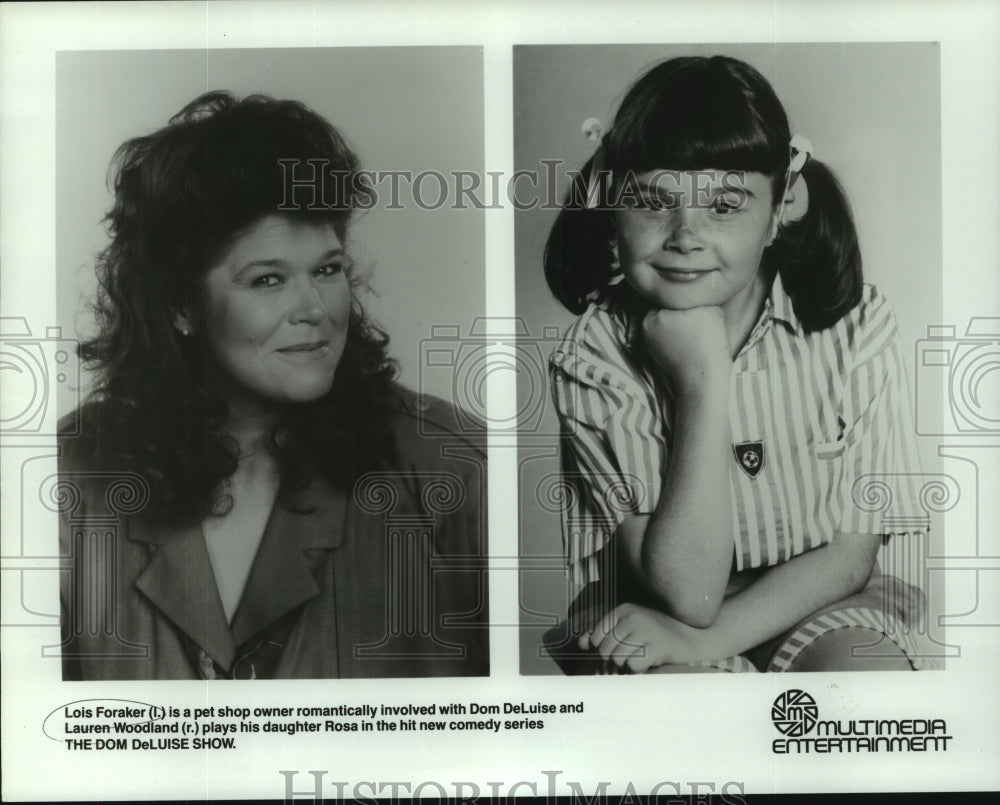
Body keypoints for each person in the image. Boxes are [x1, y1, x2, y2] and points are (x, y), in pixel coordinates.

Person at [57, 91, 488, 680]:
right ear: (182, 305)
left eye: (328, 270)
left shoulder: (452, 465)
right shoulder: (70, 479)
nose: (314, 308)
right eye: (267, 280)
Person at [543, 56, 927, 673]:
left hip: (818, 594)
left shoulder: (858, 326)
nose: (685, 235)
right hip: (658, 602)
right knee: (679, 701)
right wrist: (702, 381)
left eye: (724, 206)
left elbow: (851, 556)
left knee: (862, 680)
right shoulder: (595, 356)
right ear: (611, 210)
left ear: (782, 208)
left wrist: (711, 639)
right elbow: (686, 595)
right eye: (650, 203)